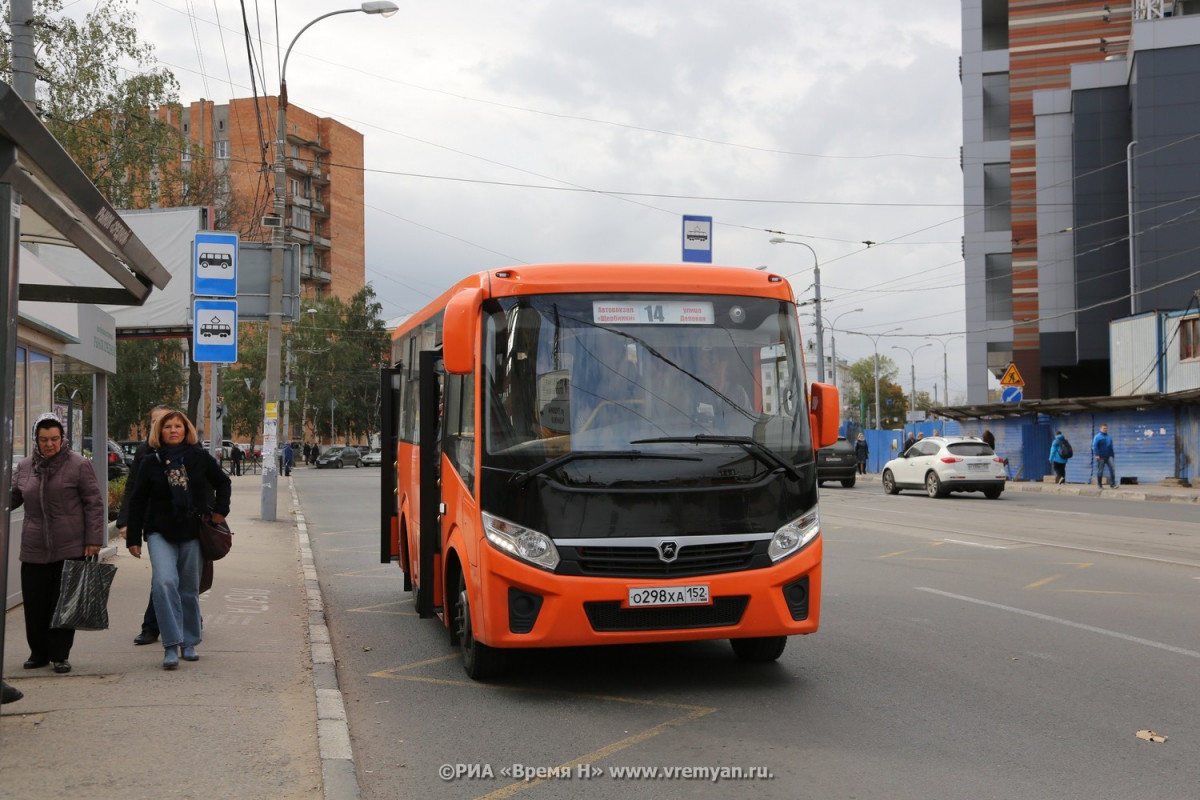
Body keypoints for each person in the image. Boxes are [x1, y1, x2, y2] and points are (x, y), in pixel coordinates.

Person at [125, 410, 231, 670]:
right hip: (159, 532)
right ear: (159, 432)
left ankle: (189, 642)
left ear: (186, 431)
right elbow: (137, 499)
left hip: (191, 531)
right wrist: (134, 538)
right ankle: (171, 645)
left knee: (188, 588)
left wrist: (220, 512)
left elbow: (223, 482)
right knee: (164, 583)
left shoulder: (199, 458)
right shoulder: (151, 461)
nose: (173, 430)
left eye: (178, 426)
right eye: (168, 427)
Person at [10, 412, 105, 675]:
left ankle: (60, 655)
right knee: (35, 604)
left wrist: (93, 539)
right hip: (33, 546)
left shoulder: (79, 464)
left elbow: (94, 504)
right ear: (36, 440)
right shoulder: (25, 467)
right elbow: (14, 498)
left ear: (62, 439)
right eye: (43, 439)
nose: (49, 444)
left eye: (54, 439)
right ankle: (38, 653)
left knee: (63, 604)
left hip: (70, 545)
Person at [118, 404, 172, 646]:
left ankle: (189, 618)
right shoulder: (144, 452)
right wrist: (127, 522)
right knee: (161, 577)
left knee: (182, 577)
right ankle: (151, 627)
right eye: (155, 421)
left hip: (186, 524)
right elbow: (133, 490)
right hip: (155, 523)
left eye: (166, 422)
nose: (159, 426)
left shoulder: (186, 450)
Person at [1092, 422, 1116, 488]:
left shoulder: (1109, 437)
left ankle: (1113, 484)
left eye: (1106, 428)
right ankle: (1099, 484)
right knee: (1100, 470)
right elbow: (1094, 446)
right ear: (1100, 429)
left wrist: (1112, 455)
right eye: (1104, 428)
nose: (1105, 429)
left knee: (1112, 469)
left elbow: (1111, 446)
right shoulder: (1097, 437)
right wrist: (1097, 454)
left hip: (1109, 456)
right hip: (1100, 456)